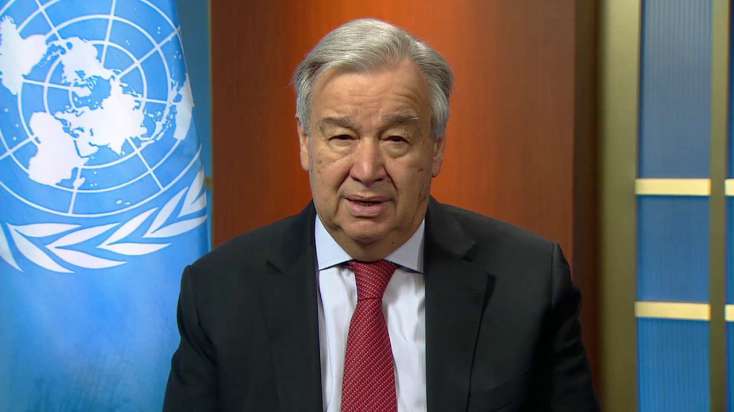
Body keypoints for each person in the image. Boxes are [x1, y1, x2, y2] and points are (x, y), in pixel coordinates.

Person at [163, 18, 598, 412]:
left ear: (436, 148)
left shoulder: (528, 282)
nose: (367, 170)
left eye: (395, 139)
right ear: (305, 141)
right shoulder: (220, 293)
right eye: (342, 137)